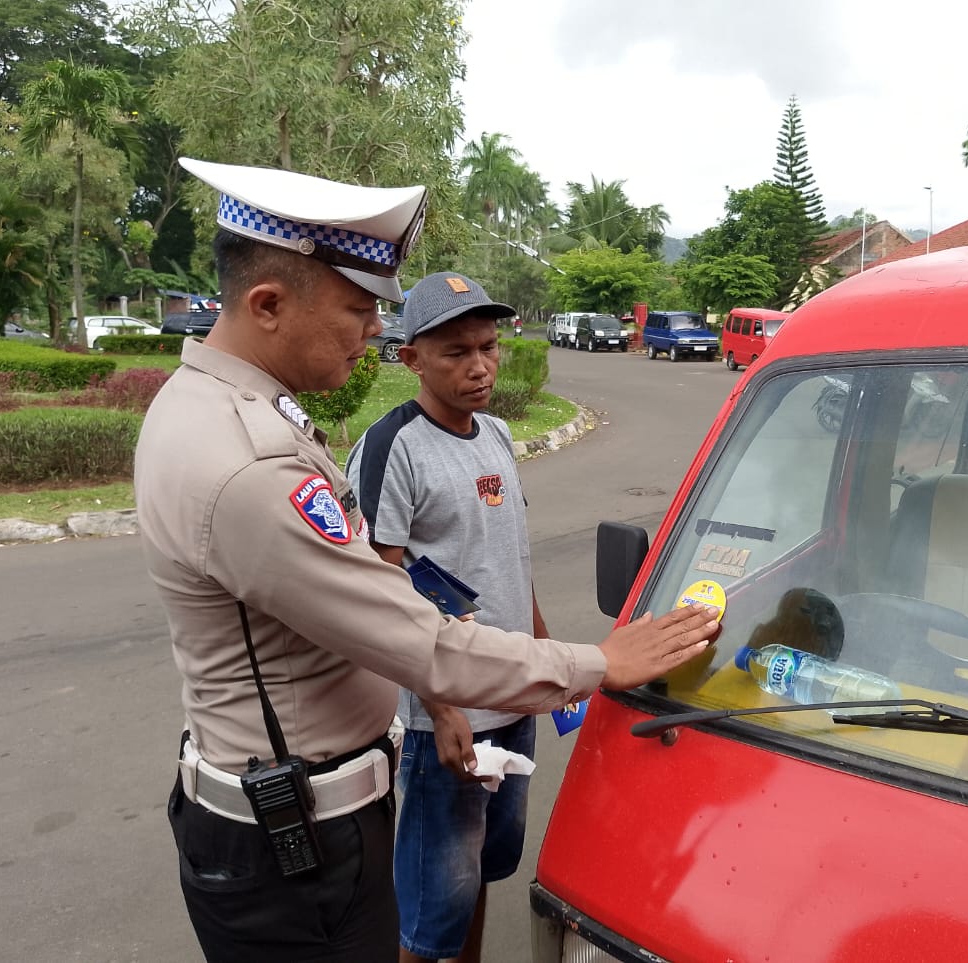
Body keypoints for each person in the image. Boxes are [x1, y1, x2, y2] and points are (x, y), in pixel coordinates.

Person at [133, 157, 720, 963]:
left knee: (473, 881)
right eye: (357, 308)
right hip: (298, 849)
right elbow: (416, 634)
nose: (374, 329)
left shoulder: (215, 407)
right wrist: (598, 662)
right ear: (268, 304)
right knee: (432, 910)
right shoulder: (250, 461)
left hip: (299, 813)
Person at [345, 272, 542, 963]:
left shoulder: (498, 434)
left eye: (488, 347)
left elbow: (510, 557)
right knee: (431, 913)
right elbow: (379, 588)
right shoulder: (392, 446)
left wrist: (545, 659)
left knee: (481, 872)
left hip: (513, 699)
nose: (479, 366)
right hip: (447, 721)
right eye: (457, 352)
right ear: (412, 358)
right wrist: (442, 705)